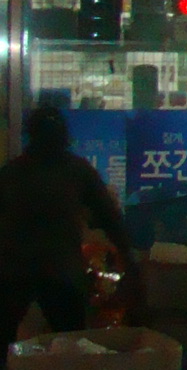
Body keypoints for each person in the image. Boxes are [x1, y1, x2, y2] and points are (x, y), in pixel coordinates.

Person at [0, 105, 137, 344]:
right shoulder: (77, 171)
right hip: (60, 271)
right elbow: (109, 217)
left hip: (15, 270)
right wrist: (129, 258)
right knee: (72, 344)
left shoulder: (11, 173)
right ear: (64, 136)